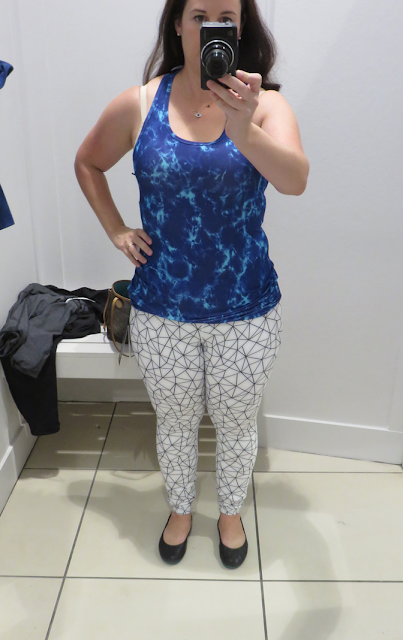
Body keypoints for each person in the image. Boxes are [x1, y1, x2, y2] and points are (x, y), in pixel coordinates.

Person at [74, 0, 309, 569]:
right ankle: (180, 509)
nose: (210, 27)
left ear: (241, 27)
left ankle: (229, 513)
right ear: (177, 24)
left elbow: (295, 180)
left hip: (246, 309)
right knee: (175, 419)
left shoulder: (266, 106)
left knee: (236, 421)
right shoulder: (140, 103)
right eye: (198, 15)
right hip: (162, 308)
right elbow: (88, 162)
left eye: (225, 15)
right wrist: (116, 230)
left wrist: (242, 125)